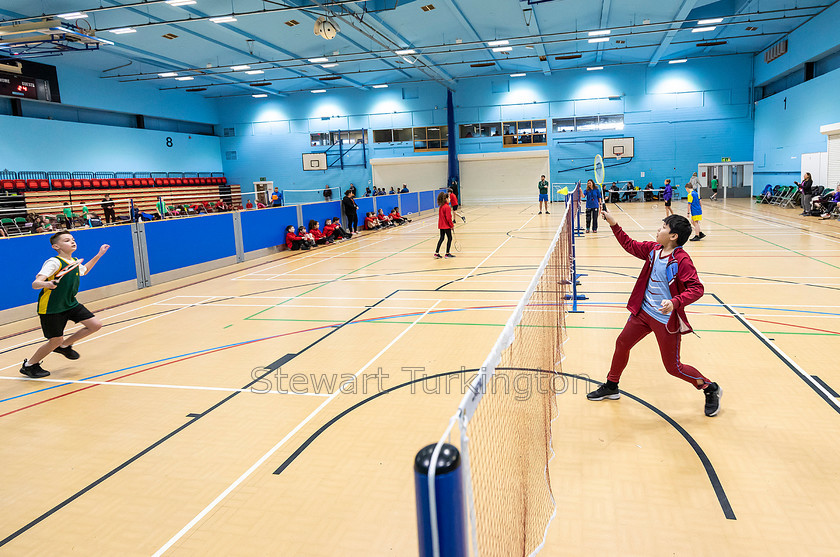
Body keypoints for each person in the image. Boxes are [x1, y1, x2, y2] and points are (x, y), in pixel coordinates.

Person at [586, 209, 721, 417]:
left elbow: (697, 288)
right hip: (643, 313)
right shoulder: (653, 250)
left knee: (673, 367)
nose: (659, 229)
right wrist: (614, 223)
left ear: (674, 236)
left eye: (664, 227)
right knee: (622, 343)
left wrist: (675, 302)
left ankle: (709, 388)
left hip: (665, 320)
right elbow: (630, 245)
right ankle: (612, 385)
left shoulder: (681, 260)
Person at [19, 231, 110, 378]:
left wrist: (99, 255)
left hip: (70, 303)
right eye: (67, 240)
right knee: (55, 340)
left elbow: (84, 270)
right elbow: (35, 283)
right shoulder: (54, 262)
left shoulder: (73, 262)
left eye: (73, 239)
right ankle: (29, 365)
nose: (72, 242)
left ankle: (64, 346)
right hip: (51, 308)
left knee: (95, 325)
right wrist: (47, 283)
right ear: (56, 246)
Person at [434, 191, 455, 259]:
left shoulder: (441, 206)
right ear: (446, 199)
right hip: (446, 225)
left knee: (442, 238)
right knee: (450, 238)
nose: (450, 199)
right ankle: (447, 253)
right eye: (449, 198)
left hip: (441, 225)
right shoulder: (447, 207)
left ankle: (436, 253)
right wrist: (451, 225)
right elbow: (448, 218)